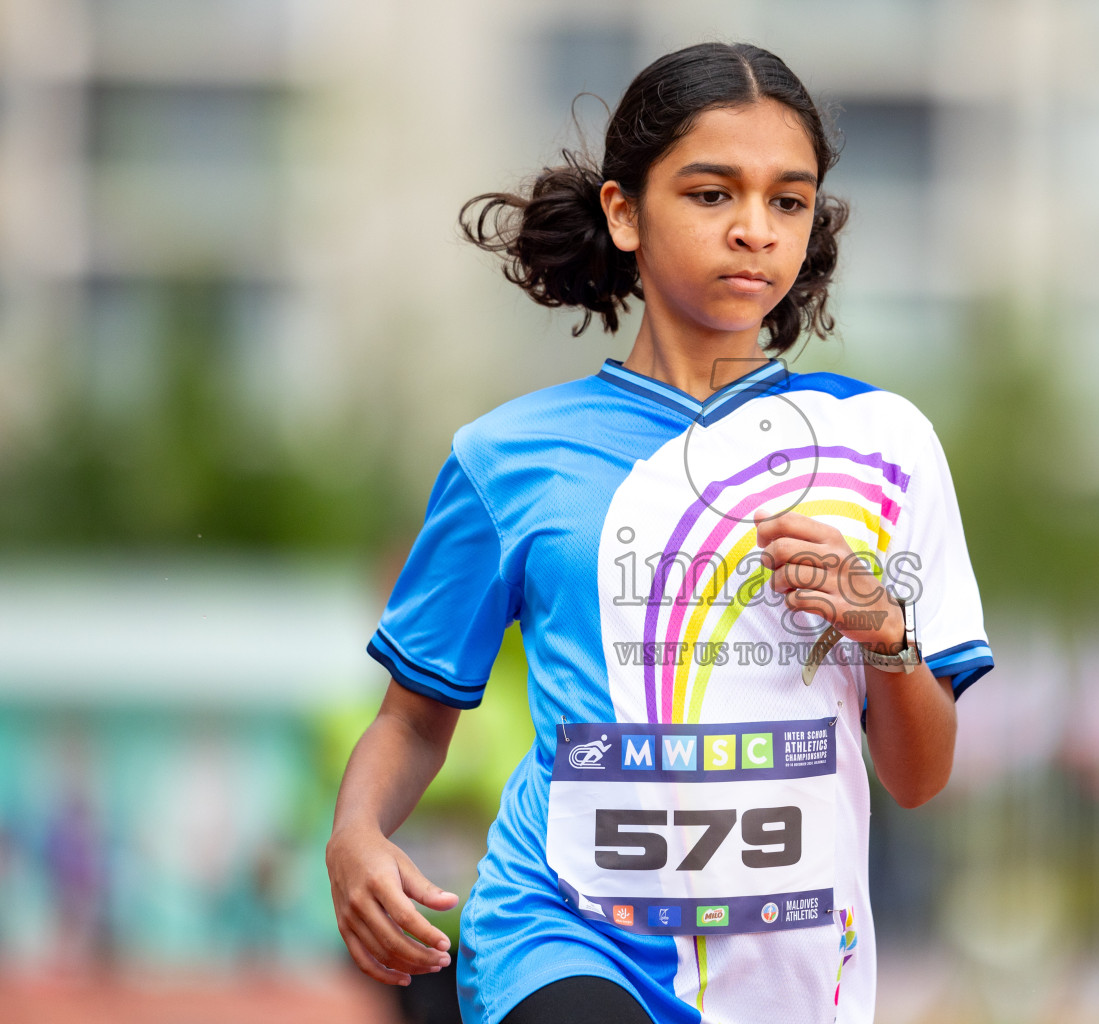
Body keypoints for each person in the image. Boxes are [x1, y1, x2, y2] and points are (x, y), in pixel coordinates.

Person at [325, 41, 993, 1024]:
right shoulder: (506, 457)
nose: (755, 231)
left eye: (788, 201)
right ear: (624, 211)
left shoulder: (882, 448)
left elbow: (920, 775)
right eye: (712, 194)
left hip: (792, 965)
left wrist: (882, 627)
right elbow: (415, 713)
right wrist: (355, 831)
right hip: (558, 931)